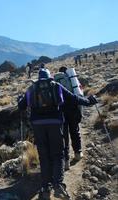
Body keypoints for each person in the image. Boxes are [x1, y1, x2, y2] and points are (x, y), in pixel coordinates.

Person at [18, 68, 98, 200]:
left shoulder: (31, 88)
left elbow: (21, 106)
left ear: (38, 77)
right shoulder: (56, 86)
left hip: (38, 126)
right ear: (50, 77)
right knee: (58, 154)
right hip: (55, 123)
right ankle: (58, 185)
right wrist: (89, 101)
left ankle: (45, 186)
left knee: (44, 156)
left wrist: (20, 99)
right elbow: (73, 98)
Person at [57, 67, 83, 170]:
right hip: (73, 110)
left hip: (61, 112)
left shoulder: (55, 82)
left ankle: (66, 161)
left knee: (64, 136)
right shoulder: (72, 80)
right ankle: (77, 153)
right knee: (75, 131)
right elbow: (79, 95)